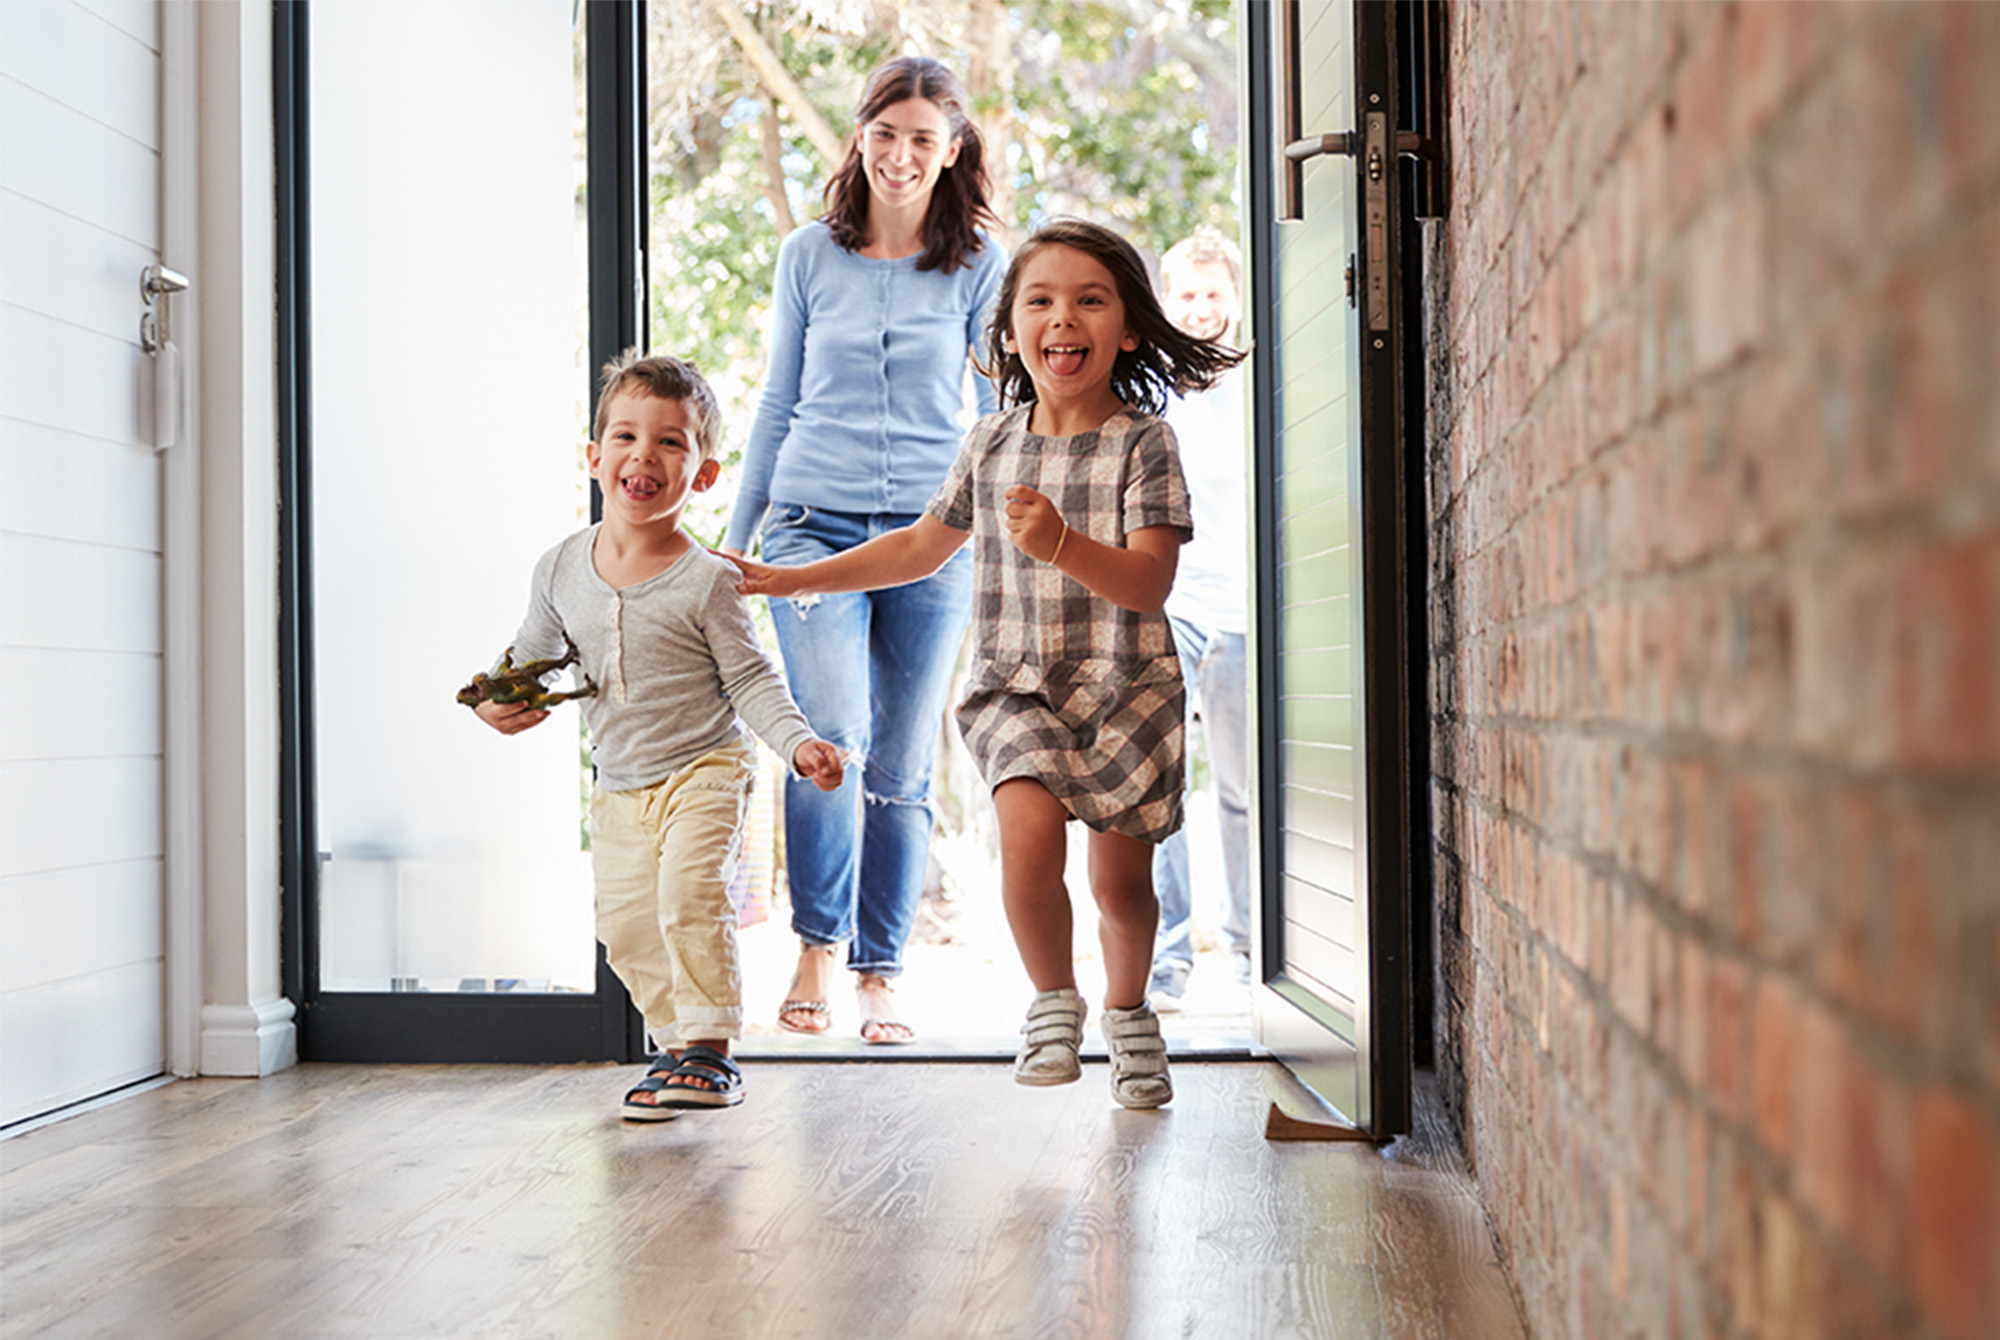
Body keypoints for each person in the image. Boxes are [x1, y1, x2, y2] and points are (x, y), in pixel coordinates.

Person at [729, 220, 1243, 1108]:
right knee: (1027, 843)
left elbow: (1150, 583)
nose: (1062, 318)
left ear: (1127, 326)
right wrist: (790, 574)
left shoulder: (1145, 444)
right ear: (1008, 332)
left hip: (1127, 689)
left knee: (1121, 885)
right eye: (1039, 300)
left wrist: (1061, 542)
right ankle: (1053, 1003)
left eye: (1090, 299)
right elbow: (920, 548)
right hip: (1019, 688)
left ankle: (1128, 1015)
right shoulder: (990, 443)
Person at [471, 351, 845, 1121]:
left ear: (702, 476)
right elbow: (530, 657)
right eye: (627, 437)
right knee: (627, 924)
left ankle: (711, 1051)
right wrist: (494, 701)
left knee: (688, 896)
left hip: (704, 765)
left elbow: (750, 681)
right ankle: (676, 1046)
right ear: (595, 457)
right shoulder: (559, 568)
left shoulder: (708, 579)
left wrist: (798, 744)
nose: (645, 454)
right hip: (618, 781)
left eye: (672, 442)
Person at [720, 55, 1006, 1046]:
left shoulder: (979, 265)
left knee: (899, 759)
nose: (899, 155)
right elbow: (775, 398)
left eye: (922, 138)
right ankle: (814, 945)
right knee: (828, 739)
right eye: (884, 133)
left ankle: (880, 967)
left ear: (951, 149)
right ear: (859, 137)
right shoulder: (809, 253)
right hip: (809, 526)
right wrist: (733, 539)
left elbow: (999, 412)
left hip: (933, 538)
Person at [1145, 229, 1253, 1010]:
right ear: (1166, 301)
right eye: (1187, 294)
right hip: (1171, 604)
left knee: (1247, 790)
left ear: (1237, 299)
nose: (1203, 308)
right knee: (1163, 787)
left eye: (1215, 293)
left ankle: (1254, 950)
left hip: (1247, 609)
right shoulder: (1151, 394)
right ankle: (1169, 959)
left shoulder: (1263, 383)